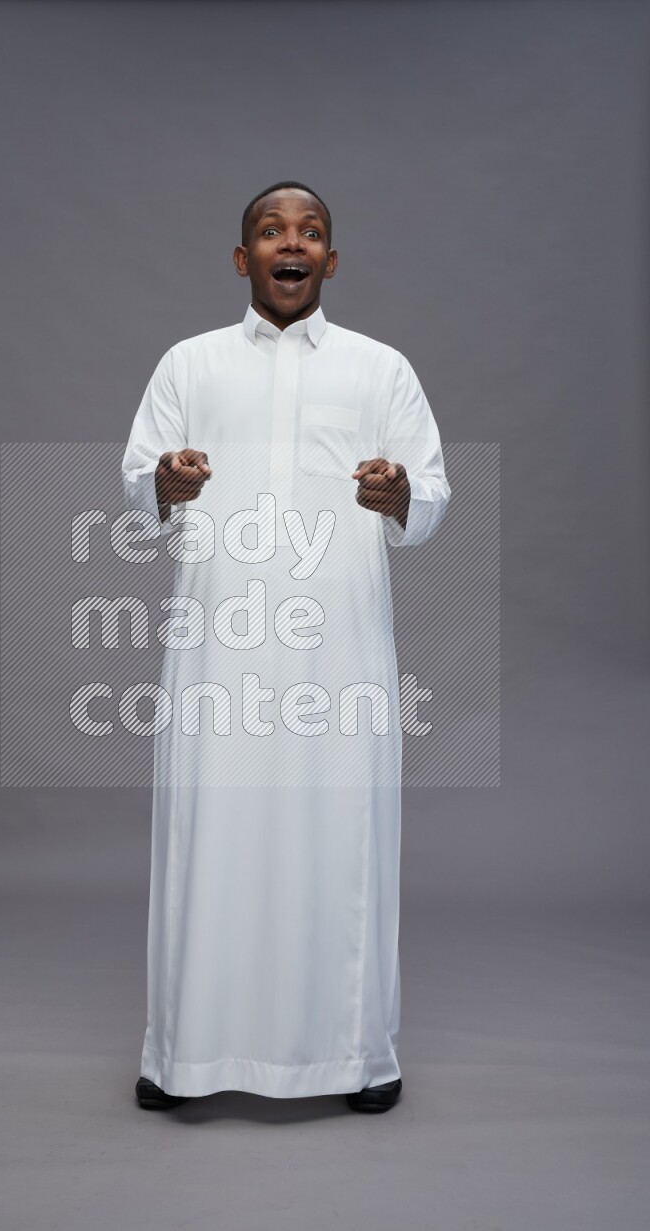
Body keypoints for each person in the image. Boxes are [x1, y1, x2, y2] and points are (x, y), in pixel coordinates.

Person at [122, 181, 450, 1114]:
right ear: (243, 259)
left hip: (337, 660)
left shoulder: (381, 369)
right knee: (207, 839)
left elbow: (431, 491)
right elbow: (134, 484)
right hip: (217, 654)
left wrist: (398, 498)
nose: (290, 243)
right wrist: (166, 482)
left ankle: (358, 1056)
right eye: (271, 231)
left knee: (339, 840)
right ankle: (182, 1056)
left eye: (309, 233)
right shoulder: (188, 365)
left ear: (331, 263)